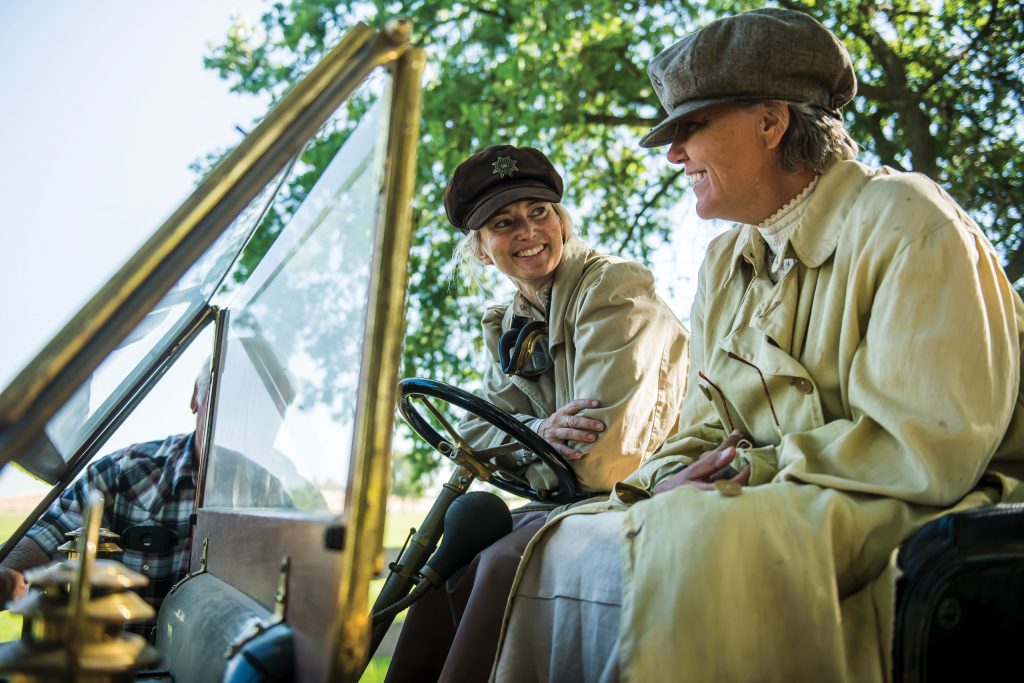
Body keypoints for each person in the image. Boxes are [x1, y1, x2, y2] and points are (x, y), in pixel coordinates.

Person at [490, 8, 1024, 683]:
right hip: (810, 489)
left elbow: (923, 444)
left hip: (920, 498)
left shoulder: (910, 221)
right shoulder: (725, 263)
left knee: (702, 537)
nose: (673, 154)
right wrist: (658, 483)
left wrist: (744, 475)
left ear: (772, 123)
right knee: (553, 533)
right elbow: (705, 427)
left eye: (690, 128)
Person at [385, 145, 689, 683]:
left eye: (539, 212)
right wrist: (540, 433)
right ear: (482, 250)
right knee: (445, 558)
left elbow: (600, 461)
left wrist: (525, 449)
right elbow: (477, 432)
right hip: (580, 499)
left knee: (505, 562)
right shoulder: (510, 322)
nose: (527, 231)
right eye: (503, 223)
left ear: (562, 220)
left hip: (653, 487)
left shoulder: (612, 289)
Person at [0, 358, 290, 614]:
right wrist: (8, 575)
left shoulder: (273, 499)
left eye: (264, 411)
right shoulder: (120, 475)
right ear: (196, 398)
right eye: (234, 397)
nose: (243, 422)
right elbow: (33, 549)